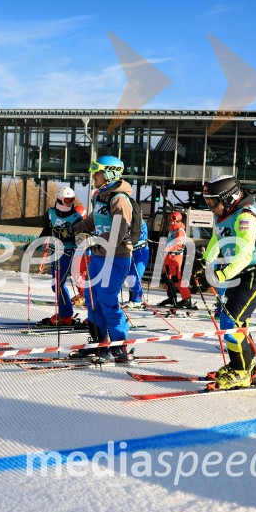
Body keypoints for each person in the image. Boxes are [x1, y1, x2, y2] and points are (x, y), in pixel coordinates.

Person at [201, 175, 256, 389]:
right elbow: (217, 239)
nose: (210, 208)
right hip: (240, 273)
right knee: (238, 322)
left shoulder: (245, 217)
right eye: (207, 202)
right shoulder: (223, 215)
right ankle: (243, 366)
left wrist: (219, 277)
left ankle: (241, 371)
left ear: (229, 198)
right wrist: (204, 264)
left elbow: (244, 255)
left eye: (213, 202)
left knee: (230, 322)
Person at [69, 155, 134, 363]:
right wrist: (72, 230)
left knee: (107, 299)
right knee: (92, 300)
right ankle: (99, 343)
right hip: (98, 255)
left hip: (116, 257)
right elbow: (91, 222)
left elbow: (118, 233)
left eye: (97, 173)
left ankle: (119, 346)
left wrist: (93, 240)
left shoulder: (119, 199)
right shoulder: (100, 197)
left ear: (109, 173)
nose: (93, 176)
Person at [37, 187, 84, 326]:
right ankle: (64, 313)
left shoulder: (76, 217)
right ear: (59, 199)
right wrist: (36, 243)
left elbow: (80, 237)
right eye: (67, 200)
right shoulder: (51, 213)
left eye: (72, 200)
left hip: (67, 252)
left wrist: (69, 237)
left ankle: (66, 315)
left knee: (58, 285)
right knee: (55, 285)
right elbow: (46, 229)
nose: (70, 203)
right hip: (54, 252)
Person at [158, 211, 193, 309]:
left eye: (173, 221)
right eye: (170, 221)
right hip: (168, 257)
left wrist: (167, 248)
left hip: (175, 257)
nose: (171, 222)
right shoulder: (171, 230)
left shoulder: (180, 231)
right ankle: (171, 298)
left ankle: (187, 299)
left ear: (178, 221)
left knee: (177, 279)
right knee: (166, 278)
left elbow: (178, 244)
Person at [123, 215, 149, 308]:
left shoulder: (140, 222)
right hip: (131, 252)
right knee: (130, 276)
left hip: (141, 251)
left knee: (136, 276)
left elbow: (139, 237)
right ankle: (133, 299)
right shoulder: (127, 221)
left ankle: (137, 301)